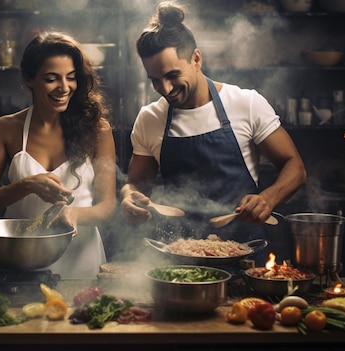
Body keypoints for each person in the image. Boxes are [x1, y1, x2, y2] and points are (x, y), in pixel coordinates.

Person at [120, 2, 306, 260]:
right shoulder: (150, 118)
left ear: (196, 59)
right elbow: (135, 184)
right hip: (179, 255)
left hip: (246, 253)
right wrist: (129, 199)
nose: (164, 88)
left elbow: (294, 166)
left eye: (173, 75)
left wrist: (268, 198)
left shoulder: (245, 103)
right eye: (154, 79)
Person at [0, 31, 117, 279]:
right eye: (52, 78)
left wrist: (72, 214)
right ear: (30, 79)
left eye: (71, 78)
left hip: (80, 258)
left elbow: (107, 206)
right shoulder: (6, 128)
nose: (64, 87)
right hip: (20, 259)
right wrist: (27, 185)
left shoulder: (97, 129)